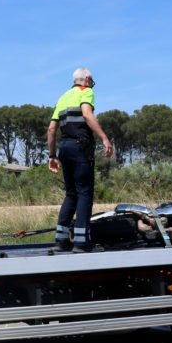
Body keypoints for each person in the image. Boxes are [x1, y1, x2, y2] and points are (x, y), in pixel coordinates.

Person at [46, 67, 113, 252]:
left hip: (64, 148)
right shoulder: (87, 91)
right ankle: (82, 242)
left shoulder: (63, 97)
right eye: (91, 80)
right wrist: (104, 138)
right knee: (84, 193)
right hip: (80, 147)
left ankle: (61, 240)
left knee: (71, 193)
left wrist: (52, 155)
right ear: (87, 79)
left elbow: (52, 129)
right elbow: (86, 114)